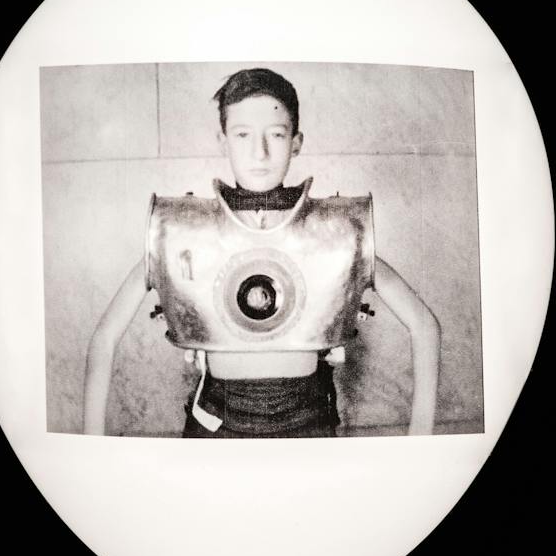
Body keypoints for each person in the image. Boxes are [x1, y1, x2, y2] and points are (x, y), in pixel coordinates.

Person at [84, 68, 441, 437]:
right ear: (223, 141)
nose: (260, 152)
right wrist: (90, 444)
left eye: (276, 134)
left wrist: (420, 438)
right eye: (242, 135)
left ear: (296, 142)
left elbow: (424, 325)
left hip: (309, 423)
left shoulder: (336, 231)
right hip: (215, 424)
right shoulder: (183, 230)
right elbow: (105, 336)